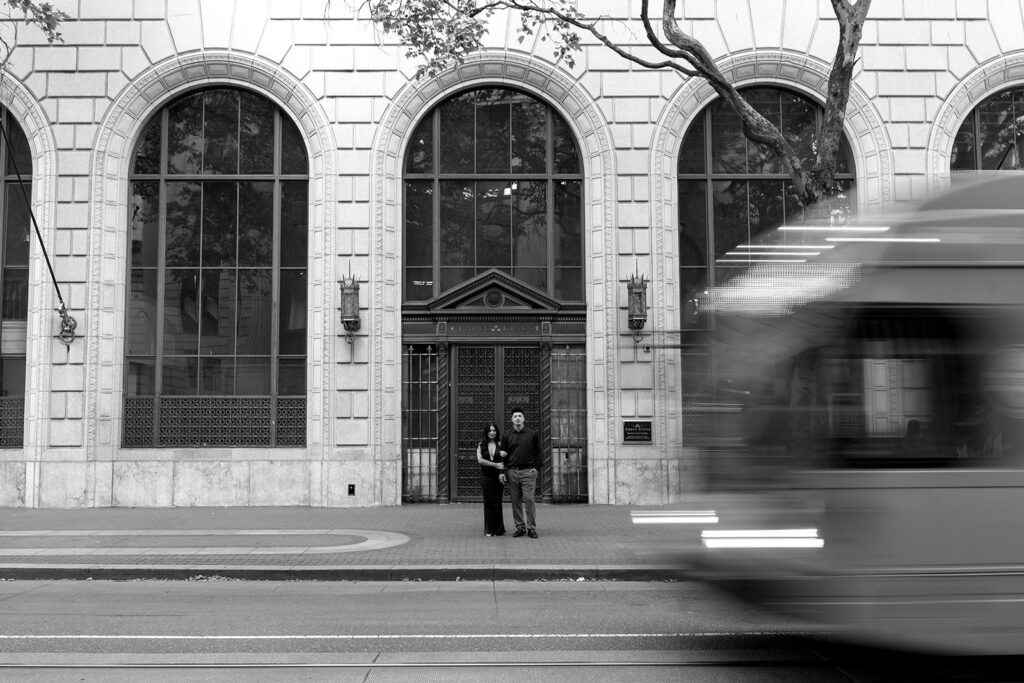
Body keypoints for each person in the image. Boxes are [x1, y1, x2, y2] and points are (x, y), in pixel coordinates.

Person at [501, 407, 541, 538]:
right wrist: (503, 471)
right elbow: (503, 455)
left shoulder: (532, 434)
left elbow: (538, 452)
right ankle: (520, 527)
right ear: (511, 419)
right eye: (515, 416)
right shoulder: (507, 435)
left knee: (529, 500)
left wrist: (536, 468)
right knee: (515, 501)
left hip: (528, 472)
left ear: (524, 418)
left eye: (520, 416)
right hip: (513, 472)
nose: (517, 418)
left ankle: (531, 528)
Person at [476, 423, 506, 537]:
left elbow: (503, 461)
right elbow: (480, 461)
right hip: (486, 477)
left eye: (494, 430)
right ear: (486, 432)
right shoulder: (481, 445)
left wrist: (501, 472)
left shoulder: (500, 444)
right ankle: (488, 529)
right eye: (490, 430)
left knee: (497, 503)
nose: (492, 432)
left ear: (497, 432)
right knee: (488, 502)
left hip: (498, 476)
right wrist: (495, 465)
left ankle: (499, 529)